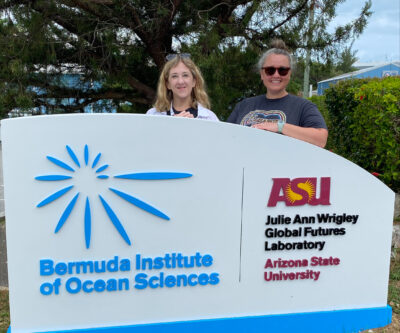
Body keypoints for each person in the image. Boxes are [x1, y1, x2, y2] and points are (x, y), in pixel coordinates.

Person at [227, 40, 328, 147]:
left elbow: (320, 139)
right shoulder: (244, 105)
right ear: (262, 74)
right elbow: (225, 136)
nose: (276, 75)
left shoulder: (304, 107)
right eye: (270, 70)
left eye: (282, 70)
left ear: (290, 74)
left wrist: (280, 127)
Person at [147, 54, 219, 121]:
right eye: (174, 76)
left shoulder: (210, 118)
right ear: (168, 84)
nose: (180, 81)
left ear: (194, 81)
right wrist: (171, 125)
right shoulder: (153, 115)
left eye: (185, 75)